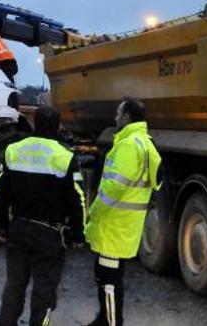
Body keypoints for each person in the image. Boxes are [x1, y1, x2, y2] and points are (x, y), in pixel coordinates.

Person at [0, 106, 86, 326]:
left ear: (35, 123)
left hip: (18, 228)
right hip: (48, 234)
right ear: (57, 125)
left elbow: (1, 191)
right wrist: (77, 234)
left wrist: (2, 226)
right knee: (44, 290)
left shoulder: (14, 150)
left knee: (14, 286)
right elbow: (77, 199)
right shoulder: (64, 156)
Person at [84, 97, 162, 326]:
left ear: (127, 117)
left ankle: (111, 322)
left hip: (113, 225)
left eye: (118, 114)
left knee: (108, 280)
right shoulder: (144, 142)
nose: (115, 118)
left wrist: (94, 211)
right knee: (109, 276)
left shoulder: (128, 145)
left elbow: (113, 188)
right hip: (124, 226)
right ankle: (104, 319)